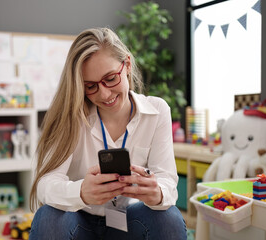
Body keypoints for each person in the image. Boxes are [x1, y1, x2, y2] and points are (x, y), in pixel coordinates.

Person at [29, 27, 186, 240]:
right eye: (90, 86)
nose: (104, 94)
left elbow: (167, 180)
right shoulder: (70, 116)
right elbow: (45, 184)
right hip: (79, 217)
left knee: (169, 219)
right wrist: (82, 192)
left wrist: (157, 192)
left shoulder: (157, 111)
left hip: (130, 220)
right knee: (48, 217)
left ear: (127, 65)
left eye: (110, 78)